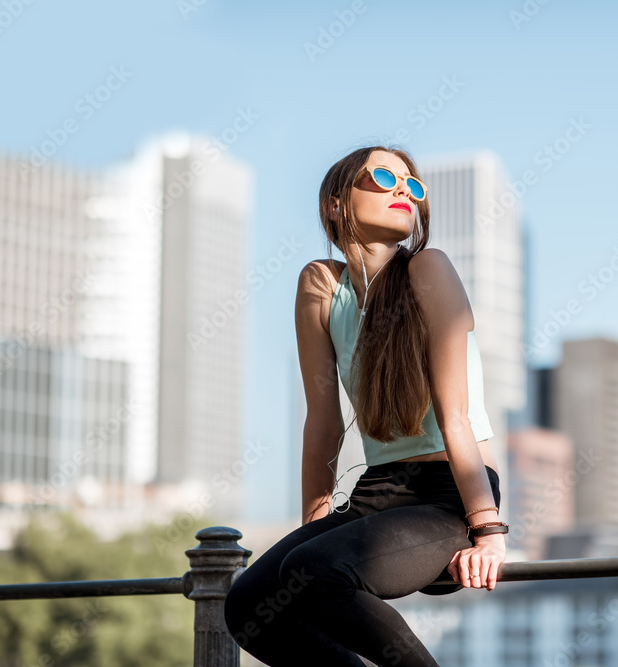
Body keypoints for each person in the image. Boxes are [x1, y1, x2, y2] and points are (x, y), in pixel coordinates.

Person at [223, 145, 508, 666]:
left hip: (449, 494)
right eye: (383, 177)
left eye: (412, 184)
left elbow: (455, 418)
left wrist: (488, 532)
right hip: (377, 493)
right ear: (336, 204)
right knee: (248, 608)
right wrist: (314, 523)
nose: (404, 189)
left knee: (316, 570)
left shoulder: (430, 269)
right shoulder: (322, 285)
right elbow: (323, 422)